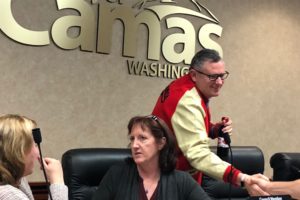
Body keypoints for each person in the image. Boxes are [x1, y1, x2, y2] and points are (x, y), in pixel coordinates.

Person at [152, 48, 268, 196]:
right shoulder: (188, 101)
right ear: (194, 74)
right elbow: (198, 154)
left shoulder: (186, 87)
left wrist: (213, 129)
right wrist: (243, 178)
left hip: (174, 177)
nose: (219, 82)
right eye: (213, 77)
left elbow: (183, 128)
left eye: (222, 75)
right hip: (168, 182)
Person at [92, 115, 211, 200]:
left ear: (161, 143)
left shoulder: (182, 181)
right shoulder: (116, 175)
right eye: (132, 139)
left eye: (142, 138)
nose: (134, 145)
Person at [0, 114, 68, 200]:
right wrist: (57, 181)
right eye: (35, 145)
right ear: (19, 151)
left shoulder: (18, 181)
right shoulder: (10, 195)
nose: (38, 153)